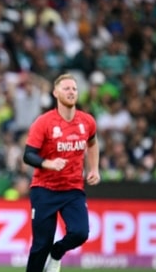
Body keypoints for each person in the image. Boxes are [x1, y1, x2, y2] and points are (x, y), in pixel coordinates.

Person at [22, 73, 101, 272]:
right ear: (55, 93)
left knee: (81, 233)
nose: (71, 92)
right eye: (66, 88)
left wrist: (94, 168)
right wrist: (48, 164)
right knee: (41, 244)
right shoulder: (44, 122)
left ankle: (57, 253)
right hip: (44, 190)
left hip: (72, 189)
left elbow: (92, 142)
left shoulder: (87, 122)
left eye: (74, 88)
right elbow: (28, 155)